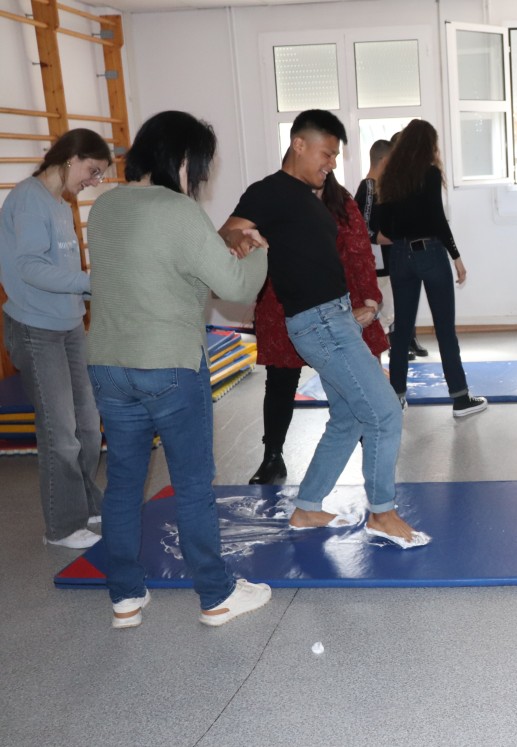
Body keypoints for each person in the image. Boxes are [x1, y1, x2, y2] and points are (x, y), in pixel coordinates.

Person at [86, 111, 272, 628]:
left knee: (123, 483)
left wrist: (214, 257)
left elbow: (152, 270)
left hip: (108, 365)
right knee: (192, 485)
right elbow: (235, 287)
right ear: (184, 159)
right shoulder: (179, 210)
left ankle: (125, 597)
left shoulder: (104, 207)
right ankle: (216, 596)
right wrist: (258, 252)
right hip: (168, 365)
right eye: (201, 166)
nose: (200, 178)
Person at [221, 109, 425, 547]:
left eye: (335, 155)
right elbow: (227, 231)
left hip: (335, 316)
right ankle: (382, 513)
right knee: (385, 412)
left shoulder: (310, 196)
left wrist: (362, 303)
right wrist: (243, 240)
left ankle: (307, 507)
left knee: (348, 417)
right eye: (327, 153)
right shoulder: (270, 191)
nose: (332, 162)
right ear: (299, 144)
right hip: (317, 322)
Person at [0, 128, 110, 549]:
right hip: (36, 330)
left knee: (87, 426)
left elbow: (62, 272)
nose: (94, 181)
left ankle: (85, 502)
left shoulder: (61, 204)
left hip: (69, 325)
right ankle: (62, 527)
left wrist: (93, 291)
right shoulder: (29, 200)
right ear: (71, 158)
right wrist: (89, 283)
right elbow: (29, 267)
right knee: (60, 433)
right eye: (92, 171)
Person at [247, 170, 388, 485]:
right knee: (280, 382)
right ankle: (272, 457)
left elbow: (360, 252)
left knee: (356, 387)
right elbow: (258, 251)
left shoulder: (341, 202)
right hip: (285, 304)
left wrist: (370, 302)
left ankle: (373, 457)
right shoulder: (277, 200)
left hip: (339, 304)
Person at [377, 119, 487, 417]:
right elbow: (438, 220)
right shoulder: (429, 173)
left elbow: (383, 226)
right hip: (430, 253)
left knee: (401, 331)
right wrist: (456, 257)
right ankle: (460, 398)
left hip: (399, 256)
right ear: (428, 145)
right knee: (444, 329)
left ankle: (396, 398)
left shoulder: (389, 176)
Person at [355, 138, 426, 360]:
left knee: (389, 312)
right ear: (385, 160)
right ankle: (375, 360)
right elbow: (362, 229)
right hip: (375, 265)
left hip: (387, 262)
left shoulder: (383, 188)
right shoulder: (368, 187)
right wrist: (389, 238)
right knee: (378, 314)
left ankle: (393, 350)